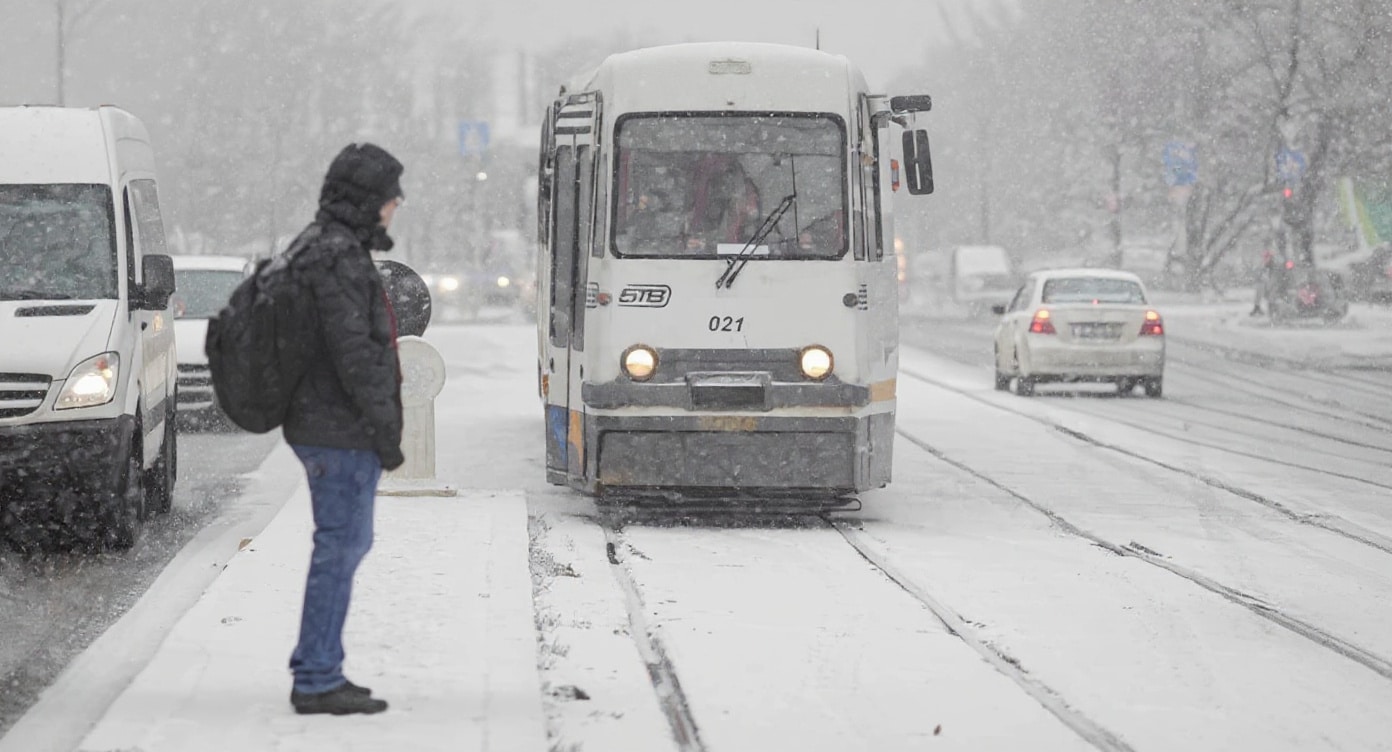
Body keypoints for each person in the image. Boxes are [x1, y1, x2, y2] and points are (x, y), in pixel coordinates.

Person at [281, 143, 406, 716]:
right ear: (366, 201)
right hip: (338, 430)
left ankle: (318, 666)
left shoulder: (323, 247)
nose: (396, 204)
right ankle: (316, 678)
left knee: (343, 546)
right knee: (340, 548)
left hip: (328, 424)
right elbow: (355, 354)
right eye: (389, 195)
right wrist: (385, 432)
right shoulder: (337, 258)